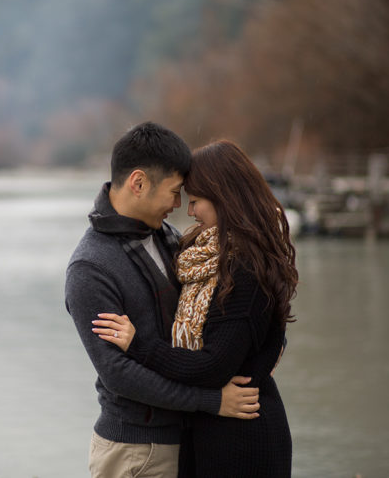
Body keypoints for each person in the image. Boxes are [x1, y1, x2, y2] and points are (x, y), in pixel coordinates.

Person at [65, 123, 262, 478]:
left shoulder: (168, 237)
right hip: (137, 451)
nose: (178, 205)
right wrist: (212, 401)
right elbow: (118, 374)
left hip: (192, 438)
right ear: (138, 183)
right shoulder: (90, 268)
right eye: (174, 193)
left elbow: (223, 310)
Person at [93, 139, 298, 477]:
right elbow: (257, 331)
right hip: (207, 432)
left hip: (242, 438)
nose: (187, 210)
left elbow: (214, 366)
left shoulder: (244, 266)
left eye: (195, 200)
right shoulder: (197, 252)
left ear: (226, 198)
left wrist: (139, 346)